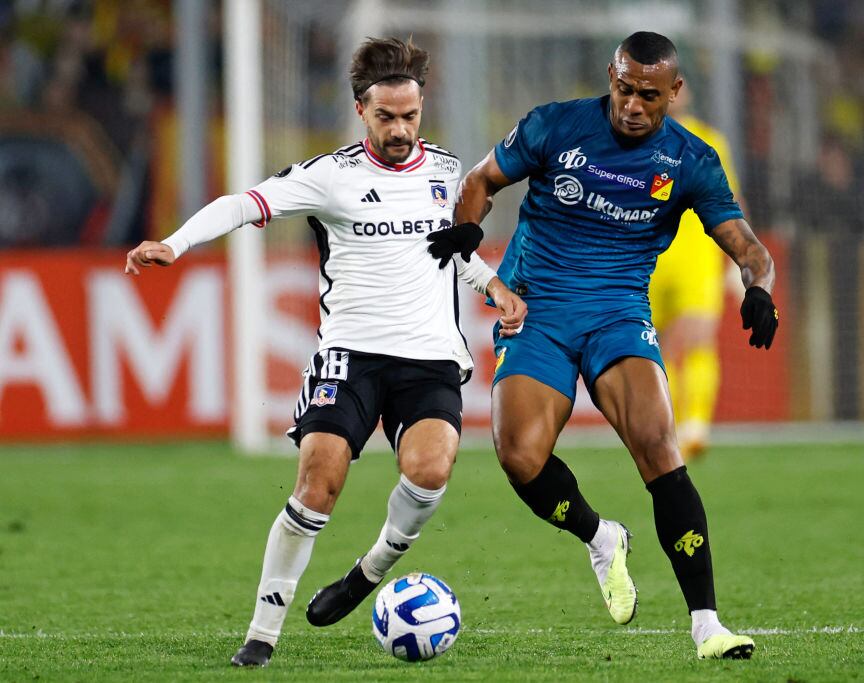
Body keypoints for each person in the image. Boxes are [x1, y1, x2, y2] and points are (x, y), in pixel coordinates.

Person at [124, 37, 526, 668]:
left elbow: (453, 248)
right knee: (319, 479)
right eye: (387, 117)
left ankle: (368, 573)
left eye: (410, 116)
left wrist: (493, 284)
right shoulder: (329, 177)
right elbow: (243, 204)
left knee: (429, 471)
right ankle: (261, 633)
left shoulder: (448, 173)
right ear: (361, 110)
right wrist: (176, 244)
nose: (400, 130)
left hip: (429, 357)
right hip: (351, 355)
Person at [430, 31, 777, 660]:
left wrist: (759, 289)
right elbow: (481, 180)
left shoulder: (690, 160)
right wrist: (469, 232)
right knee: (519, 456)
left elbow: (749, 248)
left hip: (619, 315)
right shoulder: (554, 127)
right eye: (624, 89)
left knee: (658, 446)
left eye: (649, 95)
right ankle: (600, 536)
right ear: (610, 77)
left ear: (674, 93)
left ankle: (707, 624)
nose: (633, 105)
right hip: (536, 313)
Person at [648, 80, 745, 458]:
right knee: (656, 346)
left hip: (698, 258)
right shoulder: (636, 141)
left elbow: (730, 200)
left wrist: (739, 261)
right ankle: (668, 429)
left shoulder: (711, 141)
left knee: (700, 337)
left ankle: (697, 426)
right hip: (651, 259)